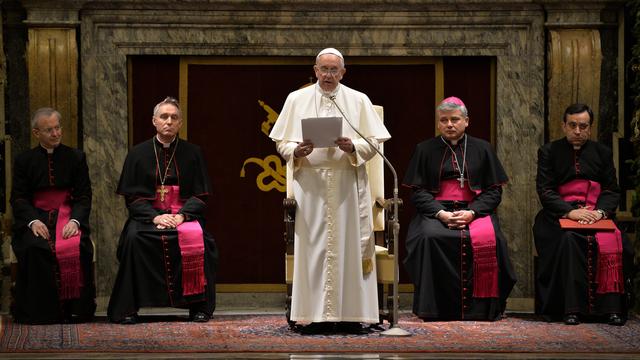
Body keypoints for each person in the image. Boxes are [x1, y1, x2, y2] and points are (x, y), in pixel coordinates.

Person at [269, 48, 391, 334]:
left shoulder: (358, 100)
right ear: (315, 70)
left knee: (348, 247)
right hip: (310, 187)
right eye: (323, 69)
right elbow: (281, 142)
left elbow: (373, 142)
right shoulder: (295, 99)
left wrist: (354, 147)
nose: (328, 75)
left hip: (348, 183)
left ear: (343, 72)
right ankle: (312, 315)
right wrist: (295, 150)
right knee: (313, 249)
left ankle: (351, 314)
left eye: (334, 70)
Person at [403, 96, 516, 321]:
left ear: (466, 121)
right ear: (438, 124)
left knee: (496, 241)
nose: (449, 124)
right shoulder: (424, 149)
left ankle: (483, 309)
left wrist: (473, 212)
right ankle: (434, 309)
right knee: (429, 237)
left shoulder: (483, 148)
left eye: (455, 119)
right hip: (437, 211)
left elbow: (494, 191)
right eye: (444, 120)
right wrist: (441, 214)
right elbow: (418, 192)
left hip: (474, 210)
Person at [107, 97, 218, 324]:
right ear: (154, 121)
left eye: (174, 117)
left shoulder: (193, 152)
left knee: (201, 239)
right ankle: (128, 308)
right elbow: (133, 196)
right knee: (134, 238)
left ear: (180, 123)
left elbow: (201, 194)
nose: (169, 121)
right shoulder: (137, 153)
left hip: (182, 215)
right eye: (164, 117)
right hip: (150, 216)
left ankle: (199, 307)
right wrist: (156, 216)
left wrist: (180, 216)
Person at [533, 103, 634, 326]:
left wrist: (599, 212)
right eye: (573, 125)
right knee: (568, 241)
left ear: (590, 128)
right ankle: (571, 309)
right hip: (559, 214)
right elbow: (545, 190)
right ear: (564, 126)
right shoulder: (548, 151)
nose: (577, 131)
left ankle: (612, 309)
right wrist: (571, 212)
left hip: (596, 213)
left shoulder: (603, 153)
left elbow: (611, 190)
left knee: (620, 243)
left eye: (583, 126)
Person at [10, 108, 96, 324]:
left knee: (79, 244)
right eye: (49, 130)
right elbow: (18, 198)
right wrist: (32, 221)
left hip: (68, 215)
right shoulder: (23, 160)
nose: (56, 134)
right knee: (34, 247)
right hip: (36, 216)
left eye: (58, 128)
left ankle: (76, 310)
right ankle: (41, 313)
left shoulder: (76, 157)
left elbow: (84, 195)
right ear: (36, 133)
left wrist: (76, 221)